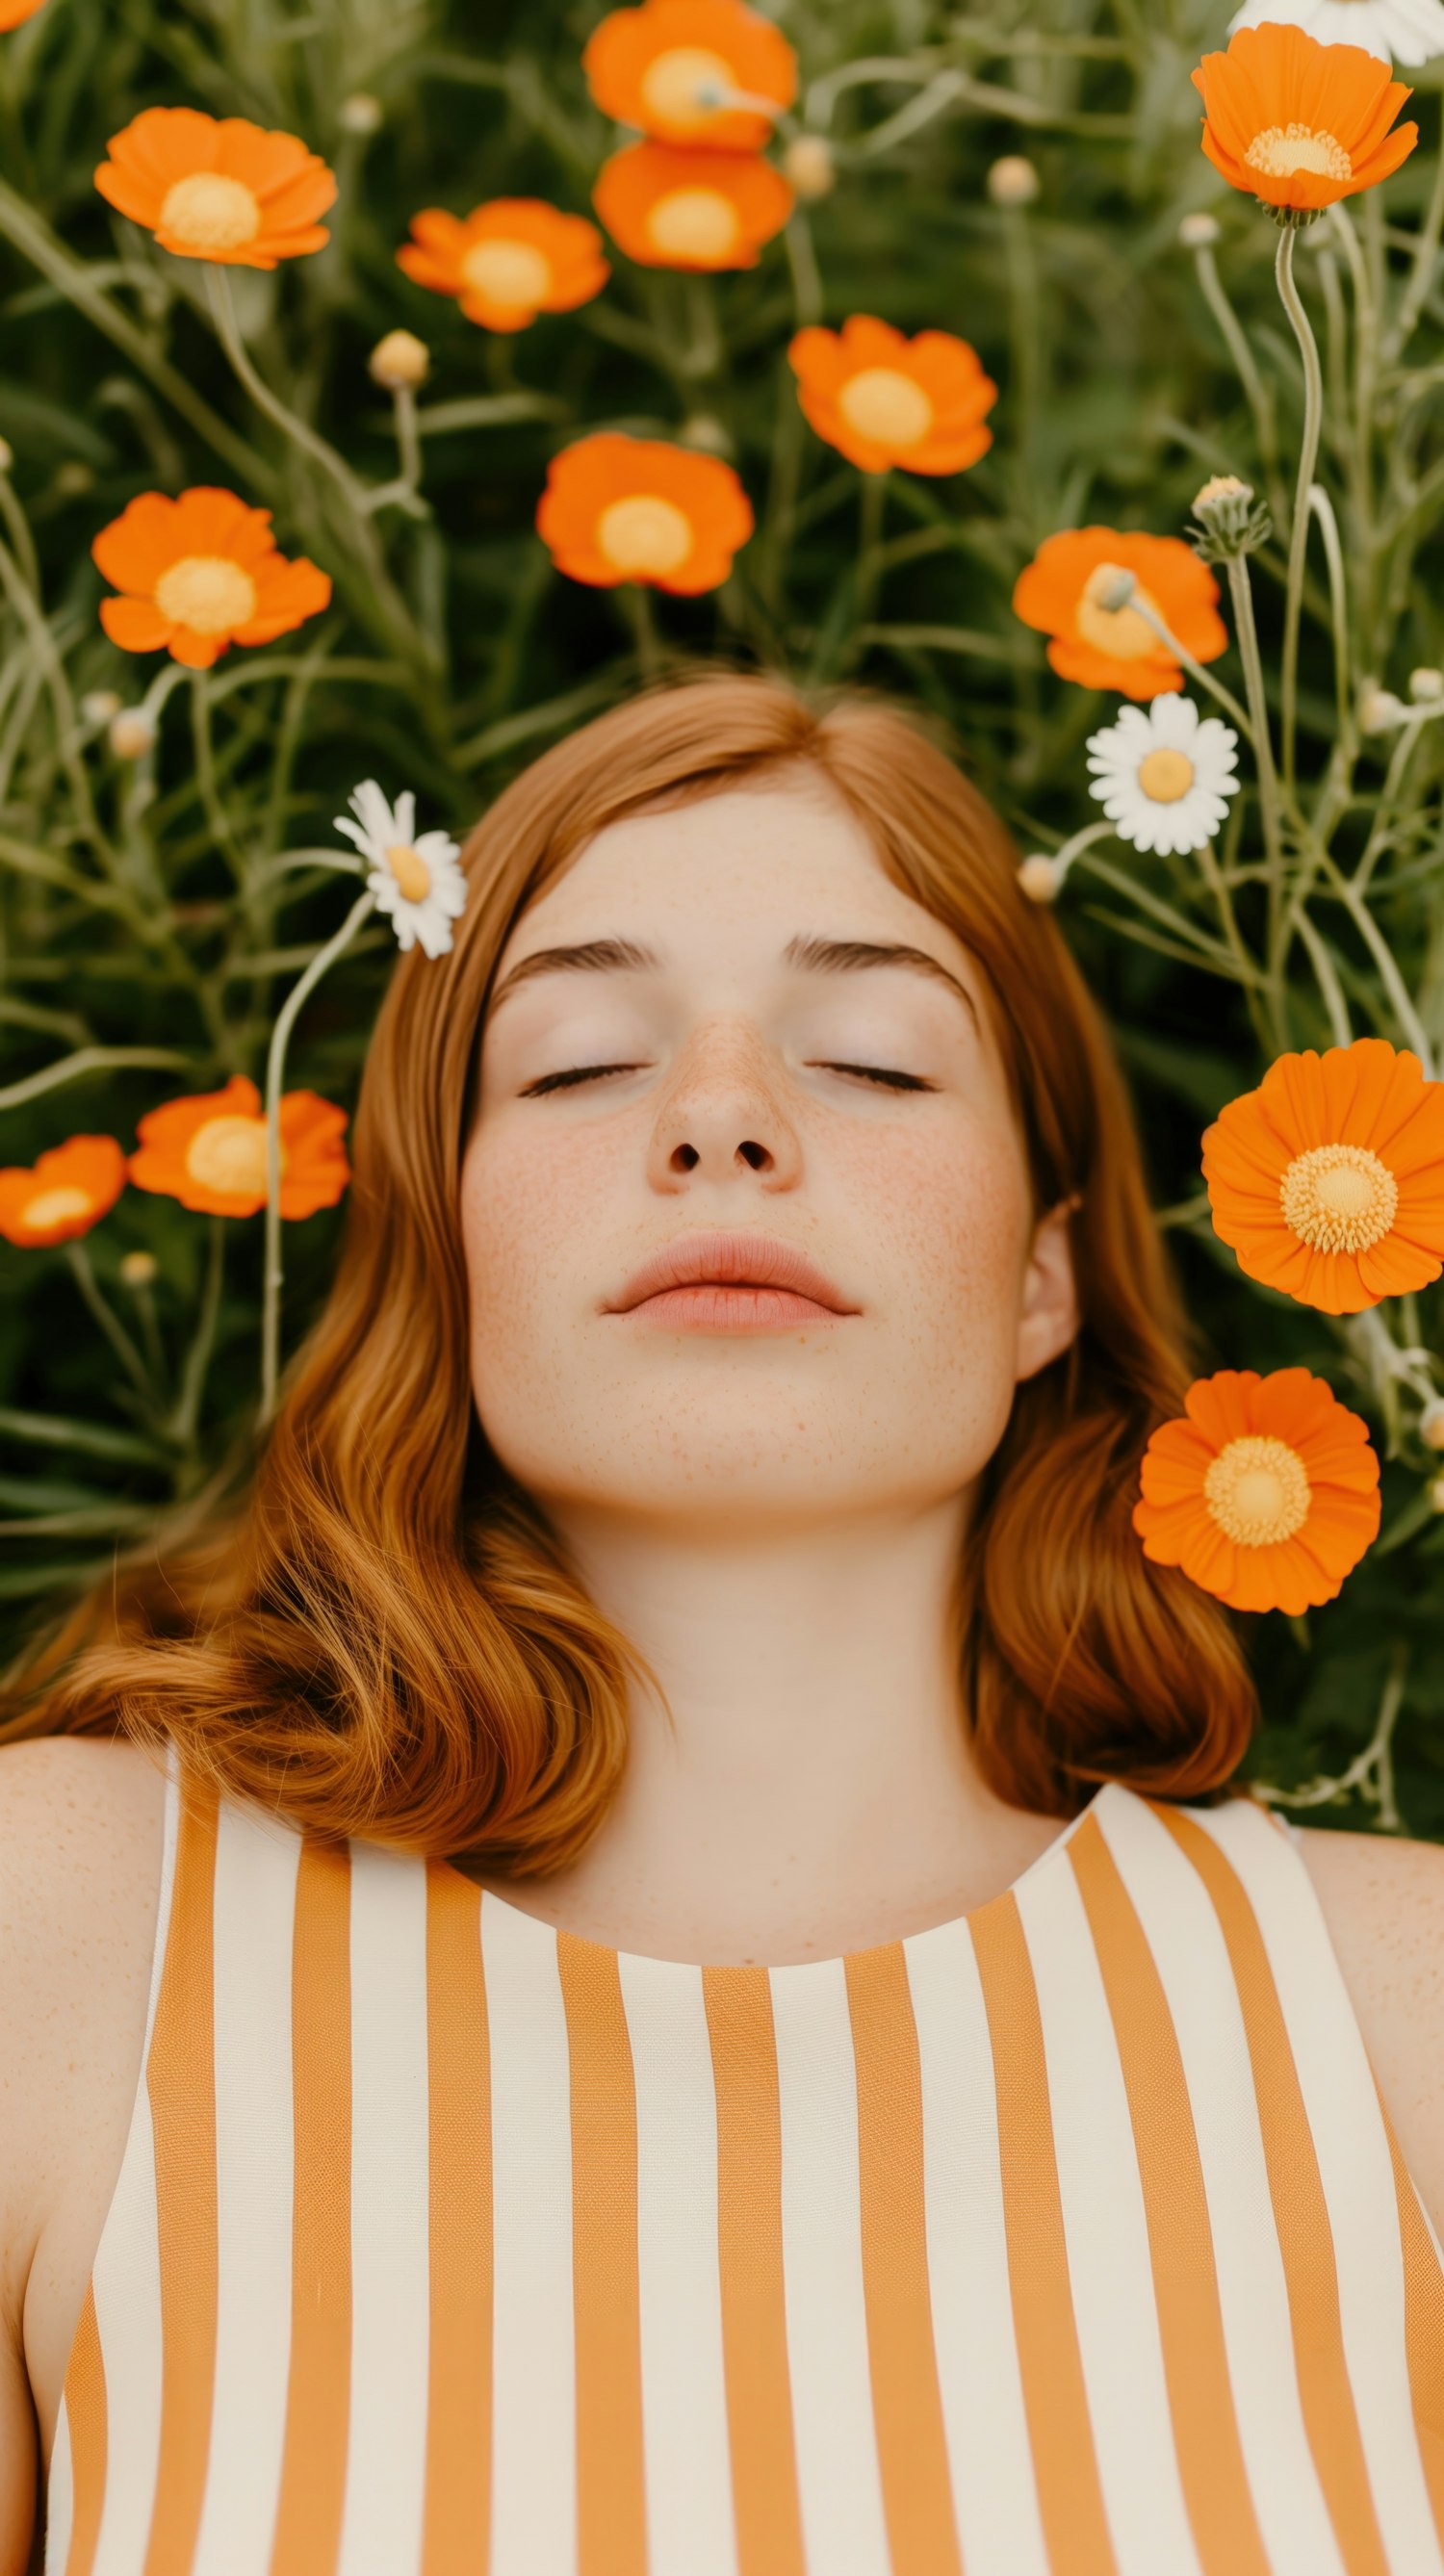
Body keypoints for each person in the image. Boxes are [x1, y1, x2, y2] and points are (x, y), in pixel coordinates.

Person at [0, 671, 1439, 2576]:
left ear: (1039, 1278)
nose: (722, 1119)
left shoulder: (1401, 2017)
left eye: (874, 1059)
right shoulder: (60, 1938)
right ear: (439, 1245)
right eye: (582, 1060)